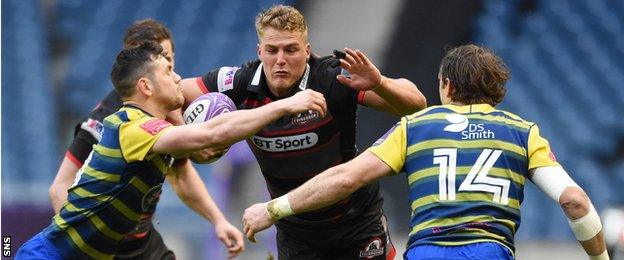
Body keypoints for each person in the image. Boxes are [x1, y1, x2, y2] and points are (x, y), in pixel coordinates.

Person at [242, 44, 610, 260]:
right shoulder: (522, 132)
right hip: (489, 250)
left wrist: (274, 208)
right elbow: (575, 201)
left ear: (446, 85)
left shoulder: (416, 127)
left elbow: (346, 178)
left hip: (426, 251)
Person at [15, 41, 327, 260]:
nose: (178, 77)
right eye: (167, 71)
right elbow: (209, 134)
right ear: (146, 87)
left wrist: (218, 220)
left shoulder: (154, 130)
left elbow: (194, 160)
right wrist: (284, 105)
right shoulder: (132, 126)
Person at [180, 4, 427, 259]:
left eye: (291, 49)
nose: (280, 60)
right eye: (272, 50)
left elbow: (417, 104)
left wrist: (381, 83)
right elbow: (174, 93)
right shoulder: (239, 82)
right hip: (295, 230)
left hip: (355, 222)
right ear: (259, 51)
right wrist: (195, 140)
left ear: (307, 51)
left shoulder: (333, 77)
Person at [47, 19, 243, 259]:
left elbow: (181, 175)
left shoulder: (170, 106)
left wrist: (218, 220)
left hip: (145, 242)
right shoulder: (105, 121)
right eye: (156, 59)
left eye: (168, 59)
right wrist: (87, 247)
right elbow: (59, 188)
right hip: (110, 250)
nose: (171, 71)